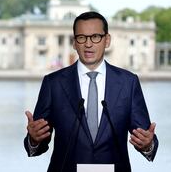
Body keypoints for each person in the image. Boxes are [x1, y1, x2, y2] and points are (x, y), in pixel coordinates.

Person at [24, 11, 158, 172]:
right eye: (82, 37)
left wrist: (148, 144)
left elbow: (145, 137)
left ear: (107, 40)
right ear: (74, 42)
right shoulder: (53, 83)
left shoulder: (128, 82)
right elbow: (38, 144)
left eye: (95, 37)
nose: (88, 44)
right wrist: (33, 139)